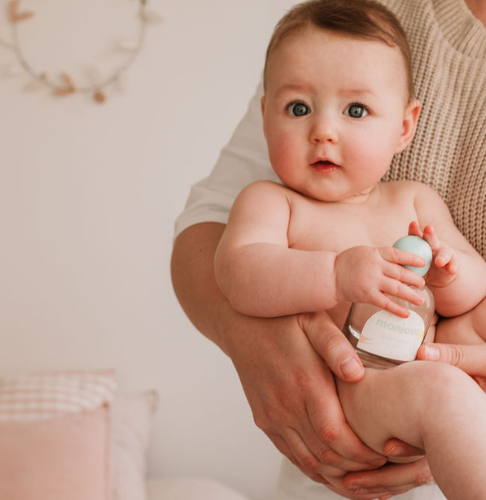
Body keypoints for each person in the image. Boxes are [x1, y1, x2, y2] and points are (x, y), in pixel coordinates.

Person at [171, 0, 486, 497]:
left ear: (405, 127)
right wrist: (336, 276)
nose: (323, 129)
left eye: (355, 110)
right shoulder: (272, 202)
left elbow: (470, 285)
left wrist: (450, 276)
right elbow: (239, 274)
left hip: (421, 363)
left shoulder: (415, 200)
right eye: (298, 108)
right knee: (446, 394)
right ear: (266, 113)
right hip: (359, 385)